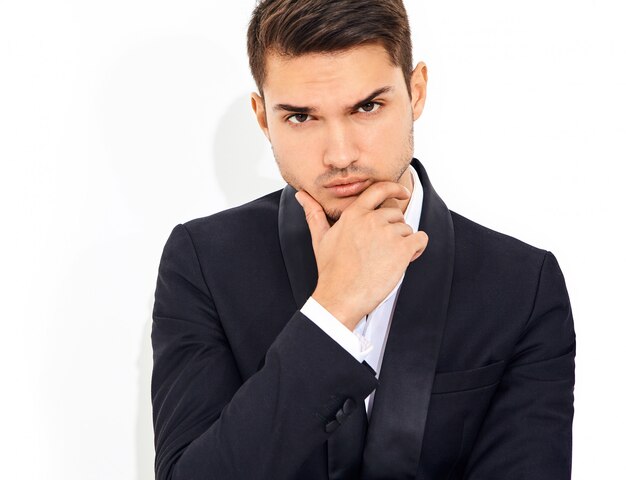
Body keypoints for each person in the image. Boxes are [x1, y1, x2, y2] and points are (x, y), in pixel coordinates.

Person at [150, 1, 576, 479]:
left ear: (416, 92)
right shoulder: (204, 261)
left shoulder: (521, 284)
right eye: (300, 117)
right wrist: (333, 310)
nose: (340, 154)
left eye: (367, 107)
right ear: (263, 117)